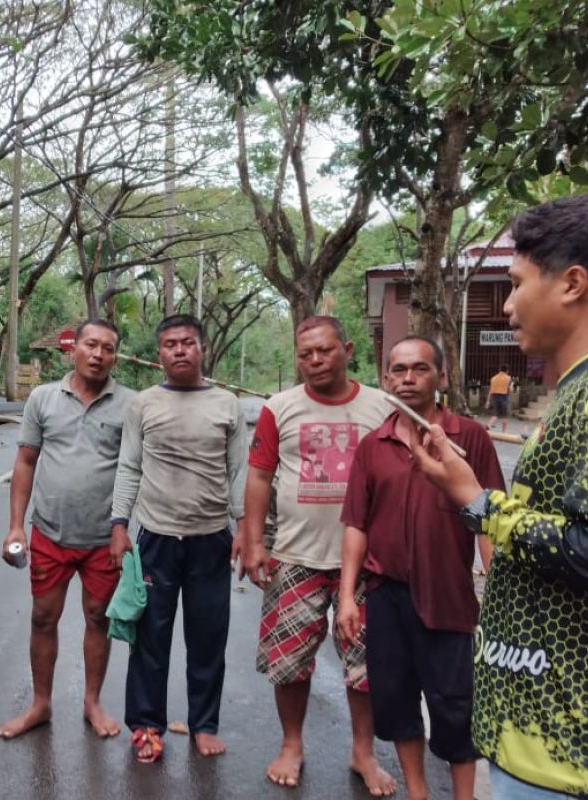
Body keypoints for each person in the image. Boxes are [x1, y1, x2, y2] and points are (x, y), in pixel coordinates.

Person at [409, 194, 588, 800]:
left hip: (570, 755)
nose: (506, 303)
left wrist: (479, 504)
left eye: (517, 282)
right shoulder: (585, 390)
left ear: (573, 284)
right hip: (539, 743)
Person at [338, 335, 505, 800]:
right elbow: (356, 524)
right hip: (387, 595)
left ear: (441, 377)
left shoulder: (468, 438)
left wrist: (500, 593)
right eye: (398, 370)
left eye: (419, 369)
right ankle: (417, 792)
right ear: (386, 378)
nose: (407, 378)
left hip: (448, 595)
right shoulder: (374, 445)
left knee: (455, 705)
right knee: (395, 701)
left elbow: (491, 519)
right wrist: (347, 596)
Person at [242, 316, 396, 793]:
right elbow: (260, 476)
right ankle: (292, 744)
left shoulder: (382, 407)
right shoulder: (280, 408)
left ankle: (362, 752)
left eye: (324, 351)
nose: (314, 361)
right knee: (289, 661)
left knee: (365, 664)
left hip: (367, 562)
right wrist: (252, 540)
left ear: (346, 349)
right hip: (295, 555)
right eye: (305, 354)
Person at [111, 314, 247, 763]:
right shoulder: (143, 405)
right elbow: (129, 466)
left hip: (212, 538)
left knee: (209, 637)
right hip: (156, 537)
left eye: (188, 342)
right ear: (159, 355)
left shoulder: (227, 404)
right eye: (170, 344)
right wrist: (119, 525)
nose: (180, 350)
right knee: (151, 636)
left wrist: (244, 526)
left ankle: (203, 724)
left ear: (203, 348)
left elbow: (238, 472)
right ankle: (147, 724)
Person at [0, 319, 136, 740]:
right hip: (50, 533)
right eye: (90, 345)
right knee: (43, 617)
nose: (98, 354)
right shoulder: (42, 399)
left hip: (103, 537)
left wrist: (123, 527)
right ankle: (41, 704)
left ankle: (92, 703)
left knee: (98, 617)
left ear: (115, 356)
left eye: (108, 348)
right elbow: (25, 462)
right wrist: (15, 526)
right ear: (72, 349)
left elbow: (134, 469)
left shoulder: (131, 405)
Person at [484, 364, 514, 433]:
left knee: (496, 413)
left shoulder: (493, 378)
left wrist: (488, 401)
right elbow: (511, 390)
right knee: (505, 415)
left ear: (499, 370)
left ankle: (489, 425)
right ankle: (503, 432)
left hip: (494, 397)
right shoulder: (508, 378)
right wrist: (512, 385)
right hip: (504, 397)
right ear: (507, 371)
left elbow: (490, 390)